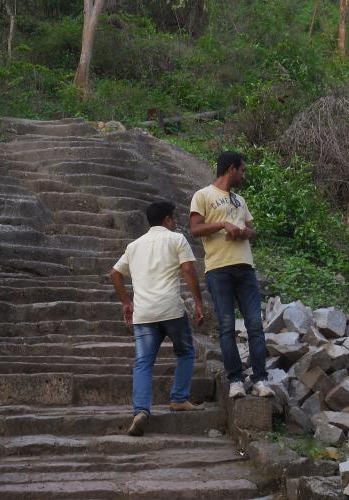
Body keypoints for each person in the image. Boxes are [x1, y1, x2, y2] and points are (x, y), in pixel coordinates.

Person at [110, 201, 206, 437]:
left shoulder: (134, 246)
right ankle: (178, 398)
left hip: (143, 314)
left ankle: (141, 411)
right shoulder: (176, 239)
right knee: (185, 352)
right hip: (171, 309)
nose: (175, 222)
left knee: (143, 363)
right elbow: (188, 270)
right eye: (173, 218)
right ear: (167, 220)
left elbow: (115, 273)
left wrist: (126, 302)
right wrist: (199, 302)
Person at [189, 151, 274, 399]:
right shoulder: (203, 195)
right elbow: (195, 229)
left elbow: (252, 229)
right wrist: (223, 225)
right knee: (227, 327)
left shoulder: (240, 200)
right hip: (218, 269)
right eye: (242, 170)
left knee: (255, 326)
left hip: (245, 268)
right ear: (231, 169)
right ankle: (235, 380)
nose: (244, 175)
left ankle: (260, 380)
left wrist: (246, 233)